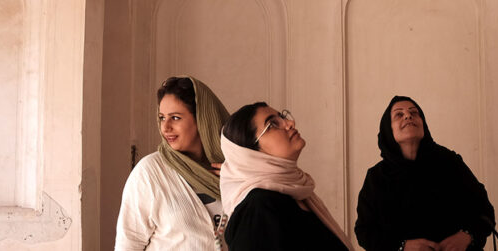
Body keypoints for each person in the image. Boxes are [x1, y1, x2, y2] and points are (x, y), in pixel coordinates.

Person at [354, 96, 495, 251]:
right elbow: (364, 231)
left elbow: (484, 211)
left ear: (423, 124)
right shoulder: (377, 177)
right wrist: (402, 247)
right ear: (389, 129)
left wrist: (467, 236)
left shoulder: (449, 163)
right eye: (399, 115)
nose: (408, 116)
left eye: (414, 113)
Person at [115, 76, 230, 250]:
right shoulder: (149, 173)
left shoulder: (233, 170)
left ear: (202, 119)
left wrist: (241, 178)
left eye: (175, 118)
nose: (165, 127)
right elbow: (128, 244)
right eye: (162, 117)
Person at [219, 102, 350, 250]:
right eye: (272, 125)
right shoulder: (258, 208)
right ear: (250, 153)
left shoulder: (297, 194)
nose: (290, 123)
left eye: (282, 117)